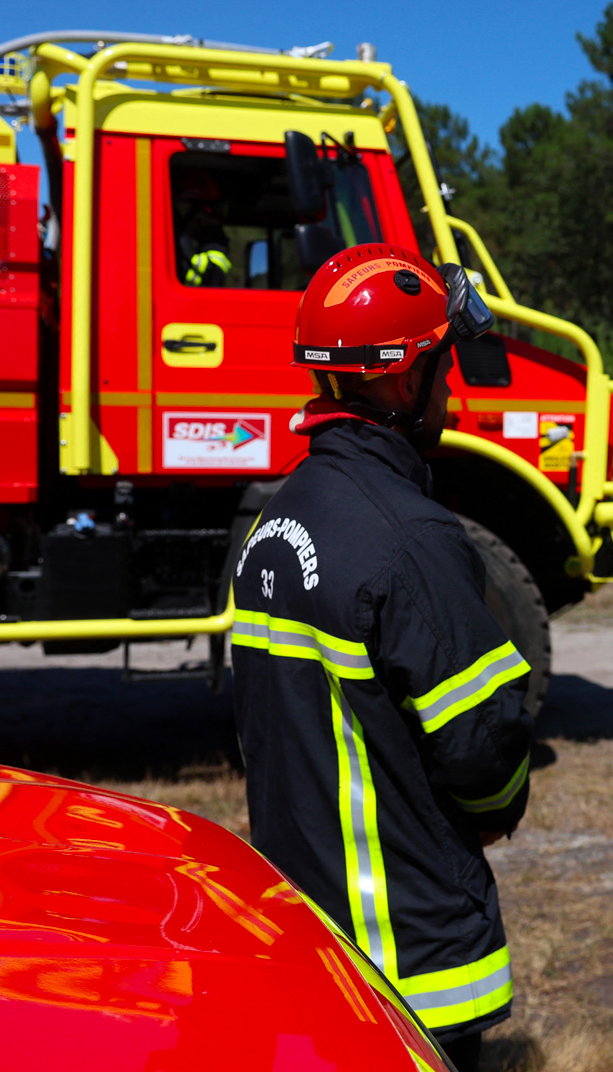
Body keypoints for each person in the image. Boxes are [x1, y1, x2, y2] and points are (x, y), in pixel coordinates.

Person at [230, 243, 533, 1072]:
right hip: (402, 954)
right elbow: (482, 748)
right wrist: (501, 805)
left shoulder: (275, 523)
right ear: (404, 382)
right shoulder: (411, 538)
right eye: (441, 365)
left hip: (310, 931)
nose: (450, 386)